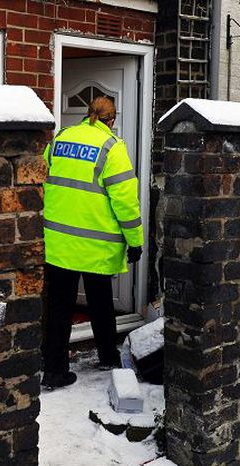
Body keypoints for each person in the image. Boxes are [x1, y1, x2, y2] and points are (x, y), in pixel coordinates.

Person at [41, 96, 143, 390]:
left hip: (59, 240)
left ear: (88, 115)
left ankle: (54, 369)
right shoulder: (112, 147)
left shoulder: (61, 139)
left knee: (59, 305)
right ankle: (108, 357)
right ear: (112, 119)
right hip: (96, 245)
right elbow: (126, 203)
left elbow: (47, 177)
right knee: (100, 303)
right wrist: (135, 241)